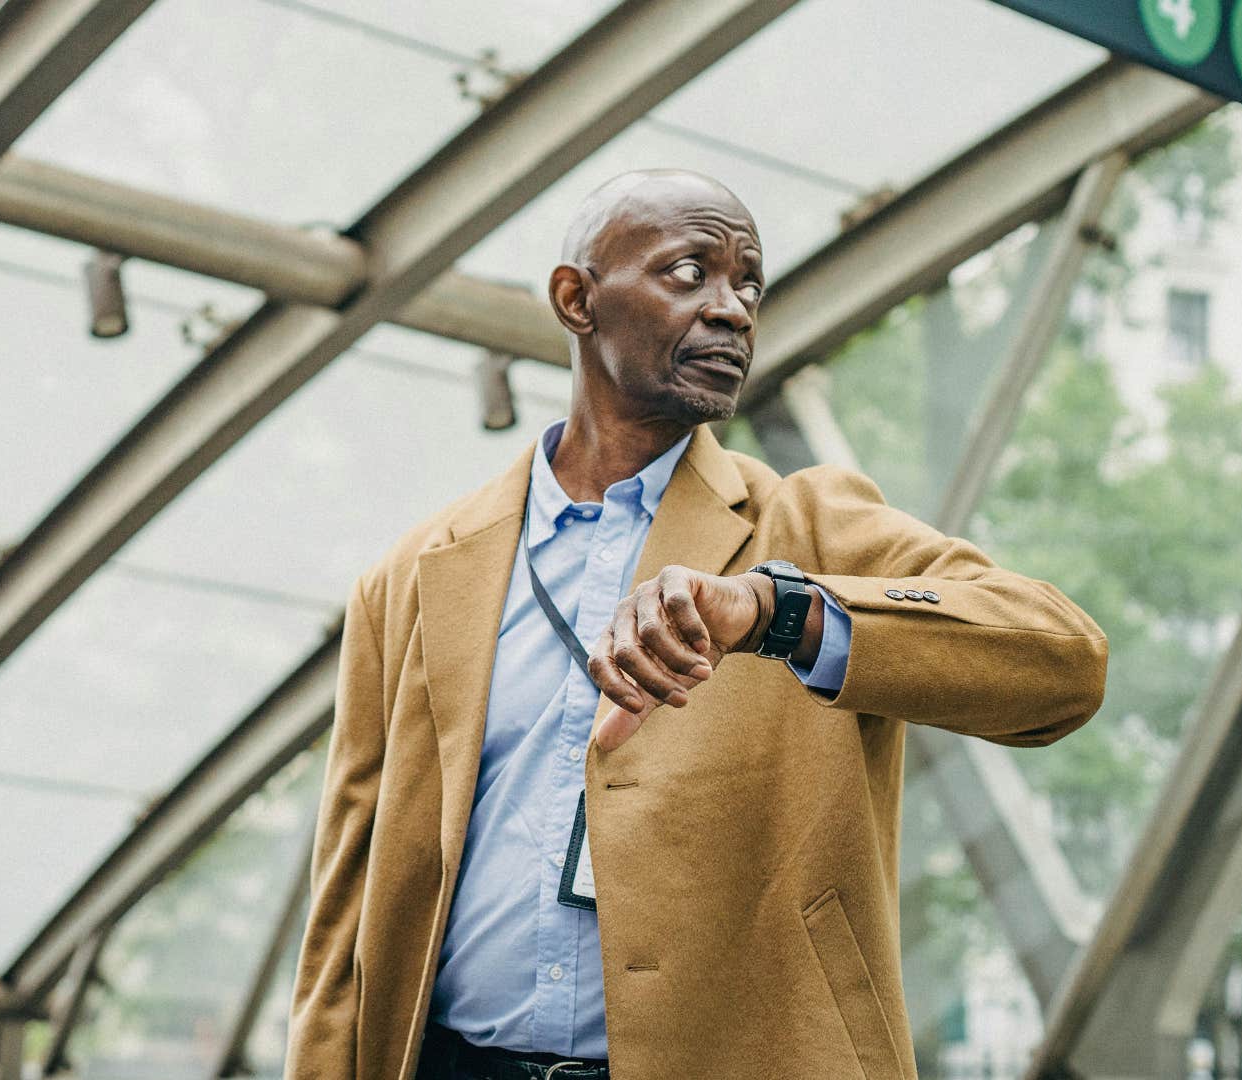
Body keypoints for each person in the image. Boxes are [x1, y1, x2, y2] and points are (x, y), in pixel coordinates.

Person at [285, 169, 1108, 1080]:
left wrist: (779, 610)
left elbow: (1061, 660)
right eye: (690, 273)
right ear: (578, 299)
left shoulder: (808, 525)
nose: (734, 311)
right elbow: (347, 916)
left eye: (748, 283)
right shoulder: (410, 579)